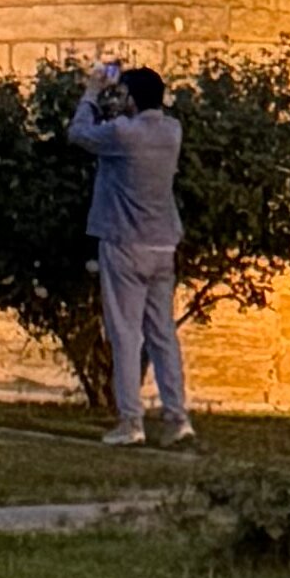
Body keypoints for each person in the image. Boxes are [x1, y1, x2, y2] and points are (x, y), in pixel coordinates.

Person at [67, 56, 191, 442]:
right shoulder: (172, 131)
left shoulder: (123, 134)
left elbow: (79, 133)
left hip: (125, 242)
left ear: (133, 99)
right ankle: (177, 417)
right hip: (162, 243)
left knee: (124, 333)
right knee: (162, 334)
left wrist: (92, 93)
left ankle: (131, 422)